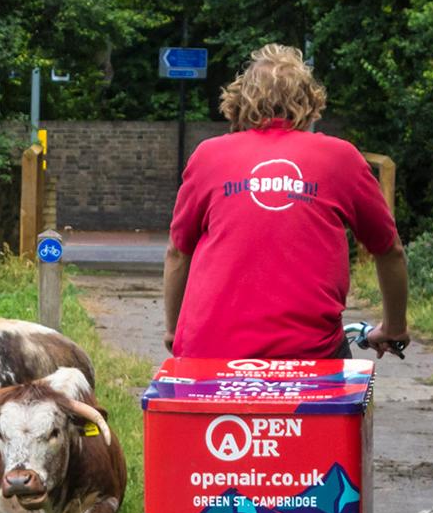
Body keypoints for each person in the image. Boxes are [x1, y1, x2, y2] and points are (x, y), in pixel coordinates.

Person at [163, 44, 408, 360]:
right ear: (309, 101)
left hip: (209, 352)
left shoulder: (208, 156)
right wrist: (394, 327)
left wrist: (173, 329)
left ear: (240, 100)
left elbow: (178, 252)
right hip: (308, 353)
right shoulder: (341, 157)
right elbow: (389, 250)